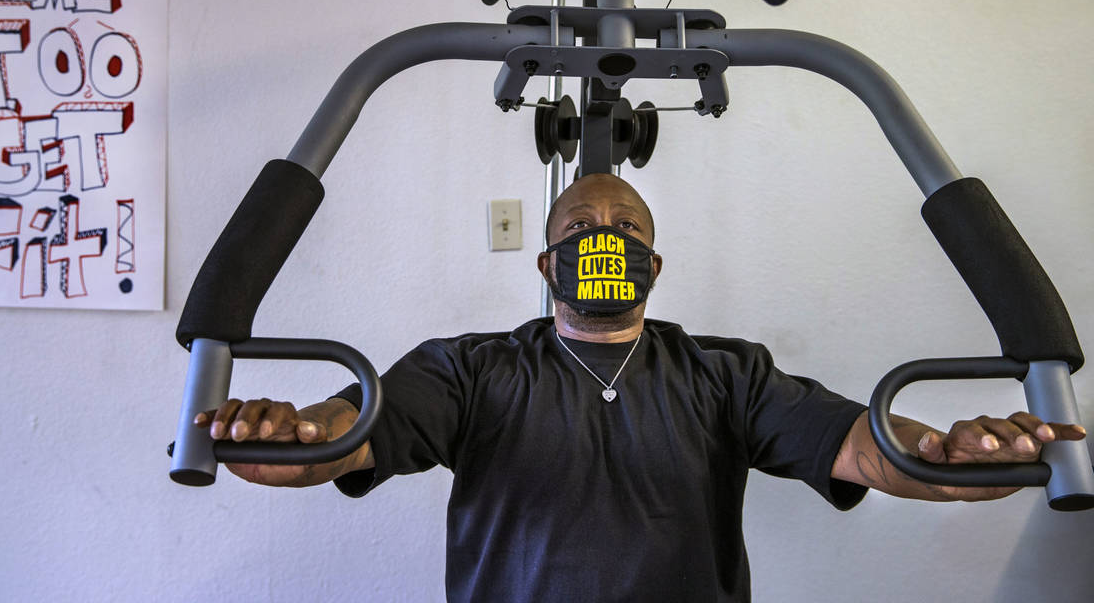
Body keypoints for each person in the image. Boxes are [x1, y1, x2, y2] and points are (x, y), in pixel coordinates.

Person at [195, 173, 1086, 602]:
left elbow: (872, 452)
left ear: (653, 263)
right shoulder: (468, 367)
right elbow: (350, 431)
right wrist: (293, 434)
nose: (603, 237)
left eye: (625, 228)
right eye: (580, 226)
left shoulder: (727, 371)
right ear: (547, 261)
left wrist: (955, 456)